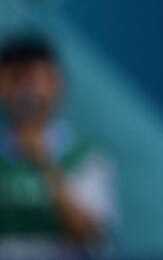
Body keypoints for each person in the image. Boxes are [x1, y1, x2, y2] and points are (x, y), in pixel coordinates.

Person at [0, 39, 115, 260]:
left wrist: (42, 160)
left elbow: (88, 234)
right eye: (16, 79)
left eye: (33, 80)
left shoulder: (87, 157)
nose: (26, 92)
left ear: (56, 85)